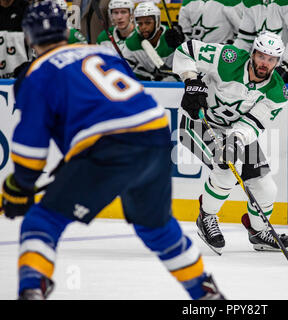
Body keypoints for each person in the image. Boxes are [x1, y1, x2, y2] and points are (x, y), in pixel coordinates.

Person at [1, 0, 224, 300]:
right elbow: (118, 105)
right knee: (155, 228)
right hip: (156, 136)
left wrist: (19, 186)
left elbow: (30, 150)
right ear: (65, 31)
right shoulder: (100, 52)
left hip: (109, 147)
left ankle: (31, 290)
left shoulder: (37, 74)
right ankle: (206, 292)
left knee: (42, 221)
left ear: (29, 36)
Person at [172, 31, 288, 254]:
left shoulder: (278, 93)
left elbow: (252, 124)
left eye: (271, 59)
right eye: (261, 56)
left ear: (277, 62)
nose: (264, 63)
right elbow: (186, 50)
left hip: (236, 132)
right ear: (253, 53)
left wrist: (234, 141)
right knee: (227, 170)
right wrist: (191, 81)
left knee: (266, 188)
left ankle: (258, 232)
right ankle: (206, 217)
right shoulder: (228, 58)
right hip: (198, 122)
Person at [233, 0, 288, 84]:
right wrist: (233, 60)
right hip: (268, 68)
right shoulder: (251, 2)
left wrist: (282, 67)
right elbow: (245, 40)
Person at [122, 1, 184, 81]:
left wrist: (181, 44)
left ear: (157, 22)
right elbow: (123, 70)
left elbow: (192, 65)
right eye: (140, 23)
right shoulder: (131, 42)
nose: (143, 27)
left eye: (148, 23)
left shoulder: (173, 36)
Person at [178, 0, 243, 44]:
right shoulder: (187, 2)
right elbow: (185, 33)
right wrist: (179, 37)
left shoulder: (231, 2)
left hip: (223, 54)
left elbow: (244, 34)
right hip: (196, 55)